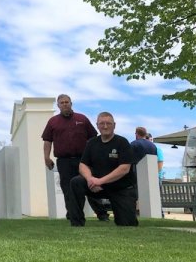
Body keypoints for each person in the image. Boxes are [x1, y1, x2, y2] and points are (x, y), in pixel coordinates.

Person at [42, 94, 109, 222]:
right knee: (67, 188)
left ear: (71, 103)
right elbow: (47, 141)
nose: (65, 104)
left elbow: (94, 138)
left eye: (67, 102)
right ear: (58, 105)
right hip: (64, 161)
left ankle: (102, 214)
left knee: (90, 183)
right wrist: (46, 158)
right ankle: (73, 214)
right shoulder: (53, 122)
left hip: (83, 160)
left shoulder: (82, 119)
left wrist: (95, 156)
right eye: (62, 102)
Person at [67, 111, 138, 227]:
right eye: (102, 123)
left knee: (127, 224)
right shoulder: (91, 143)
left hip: (121, 188)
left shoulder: (122, 142)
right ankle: (77, 224)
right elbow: (82, 165)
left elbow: (124, 168)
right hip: (97, 187)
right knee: (76, 182)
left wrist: (100, 181)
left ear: (114, 125)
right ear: (97, 125)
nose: (105, 126)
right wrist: (90, 179)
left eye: (108, 123)